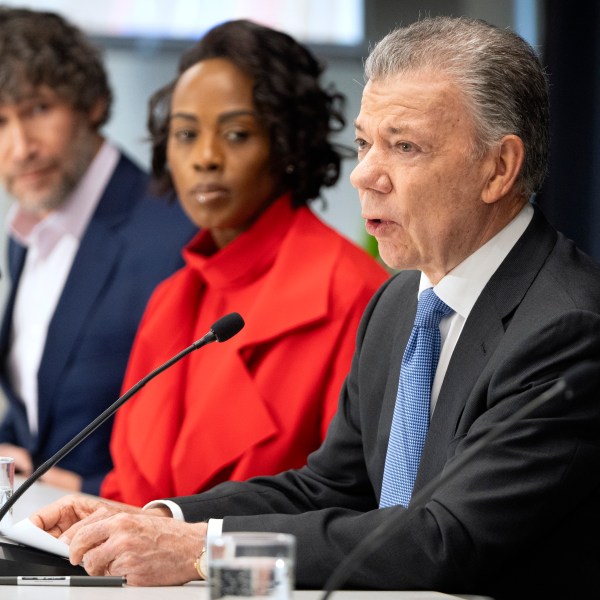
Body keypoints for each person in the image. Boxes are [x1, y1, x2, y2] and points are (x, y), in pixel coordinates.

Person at [31, 16, 600, 599]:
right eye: (363, 143)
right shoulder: (401, 300)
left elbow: (443, 541)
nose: (364, 174)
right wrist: (163, 519)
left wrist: (204, 553)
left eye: (404, 146)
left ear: (498, 168)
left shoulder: (568, 327)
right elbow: (328, 487)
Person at [98, 20, 388, 506]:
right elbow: (124, 490)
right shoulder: (170, 301)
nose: (205, 157)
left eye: (235, 134)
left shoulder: (354, 295)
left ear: (288, 144)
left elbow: (354, 506)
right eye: (185, 134)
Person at [0, 8, 197, 494]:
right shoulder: (26, 234)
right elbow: (39, 413)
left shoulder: (176, 231)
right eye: (0, 122)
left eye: (39, 109)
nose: (21, 146)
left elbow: (205, 442)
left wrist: (89, 489)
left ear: (91, 103)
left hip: (135, 541)